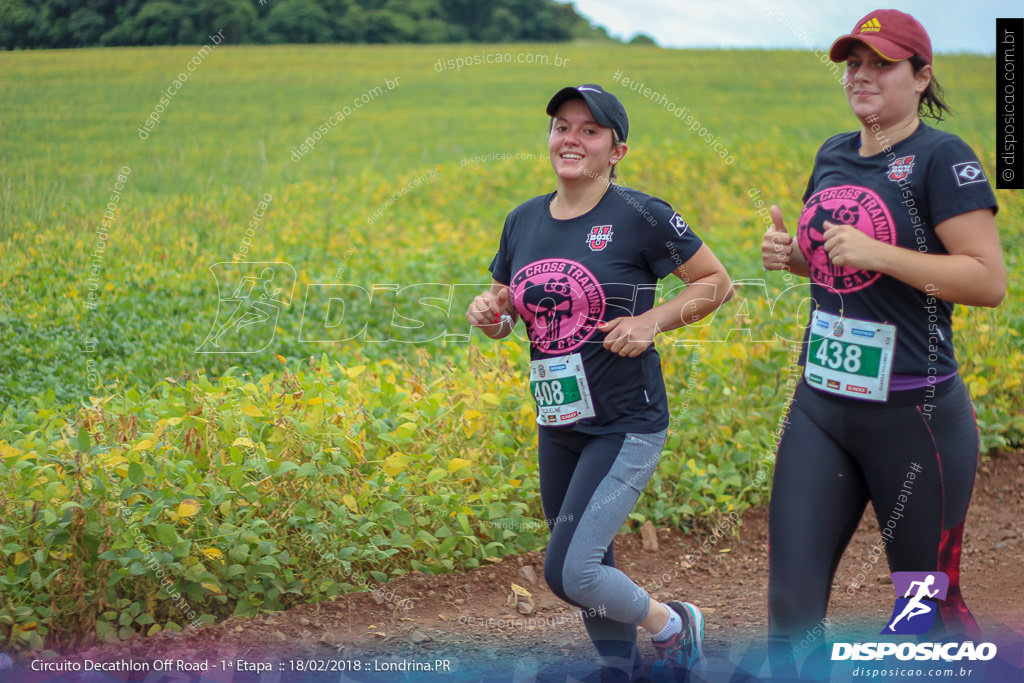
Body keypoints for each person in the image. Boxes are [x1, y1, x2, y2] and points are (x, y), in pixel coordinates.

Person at [760, 8, 1005, 675]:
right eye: (853, 64)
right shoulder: (834, 154)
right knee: (790, 604)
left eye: (882, 65)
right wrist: (794, 258)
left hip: (915, 417)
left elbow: (986, 281)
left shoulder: (942, 158)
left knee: (922, 609)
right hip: (822, 408)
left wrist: (881, 250)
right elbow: (844, 264)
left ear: (922, 77)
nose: (862, 76)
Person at [467, 84, 733, 679]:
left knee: (570, 570)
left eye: (590, 130)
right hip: (559, 421)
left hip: (624, 422)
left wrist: (650, 321)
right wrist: (491, 312)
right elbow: (511, 304)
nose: (572, 139)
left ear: (617, 150)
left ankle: (672, 624)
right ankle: (621, 668)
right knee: (592, 557)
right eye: (562, 126)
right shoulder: (523, 220)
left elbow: (715, 282)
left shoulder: (641, 215)